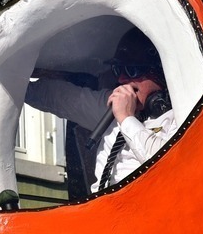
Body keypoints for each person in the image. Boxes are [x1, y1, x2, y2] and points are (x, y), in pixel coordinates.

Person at [25, 27, 176, 192]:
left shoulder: (181, 113)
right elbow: (59, 98)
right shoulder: (111, 105)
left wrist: (126, 119)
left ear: (159, 74)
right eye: (118, 71)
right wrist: (17, 82)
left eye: (131, 71)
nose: (122, 80)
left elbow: (170, 165)